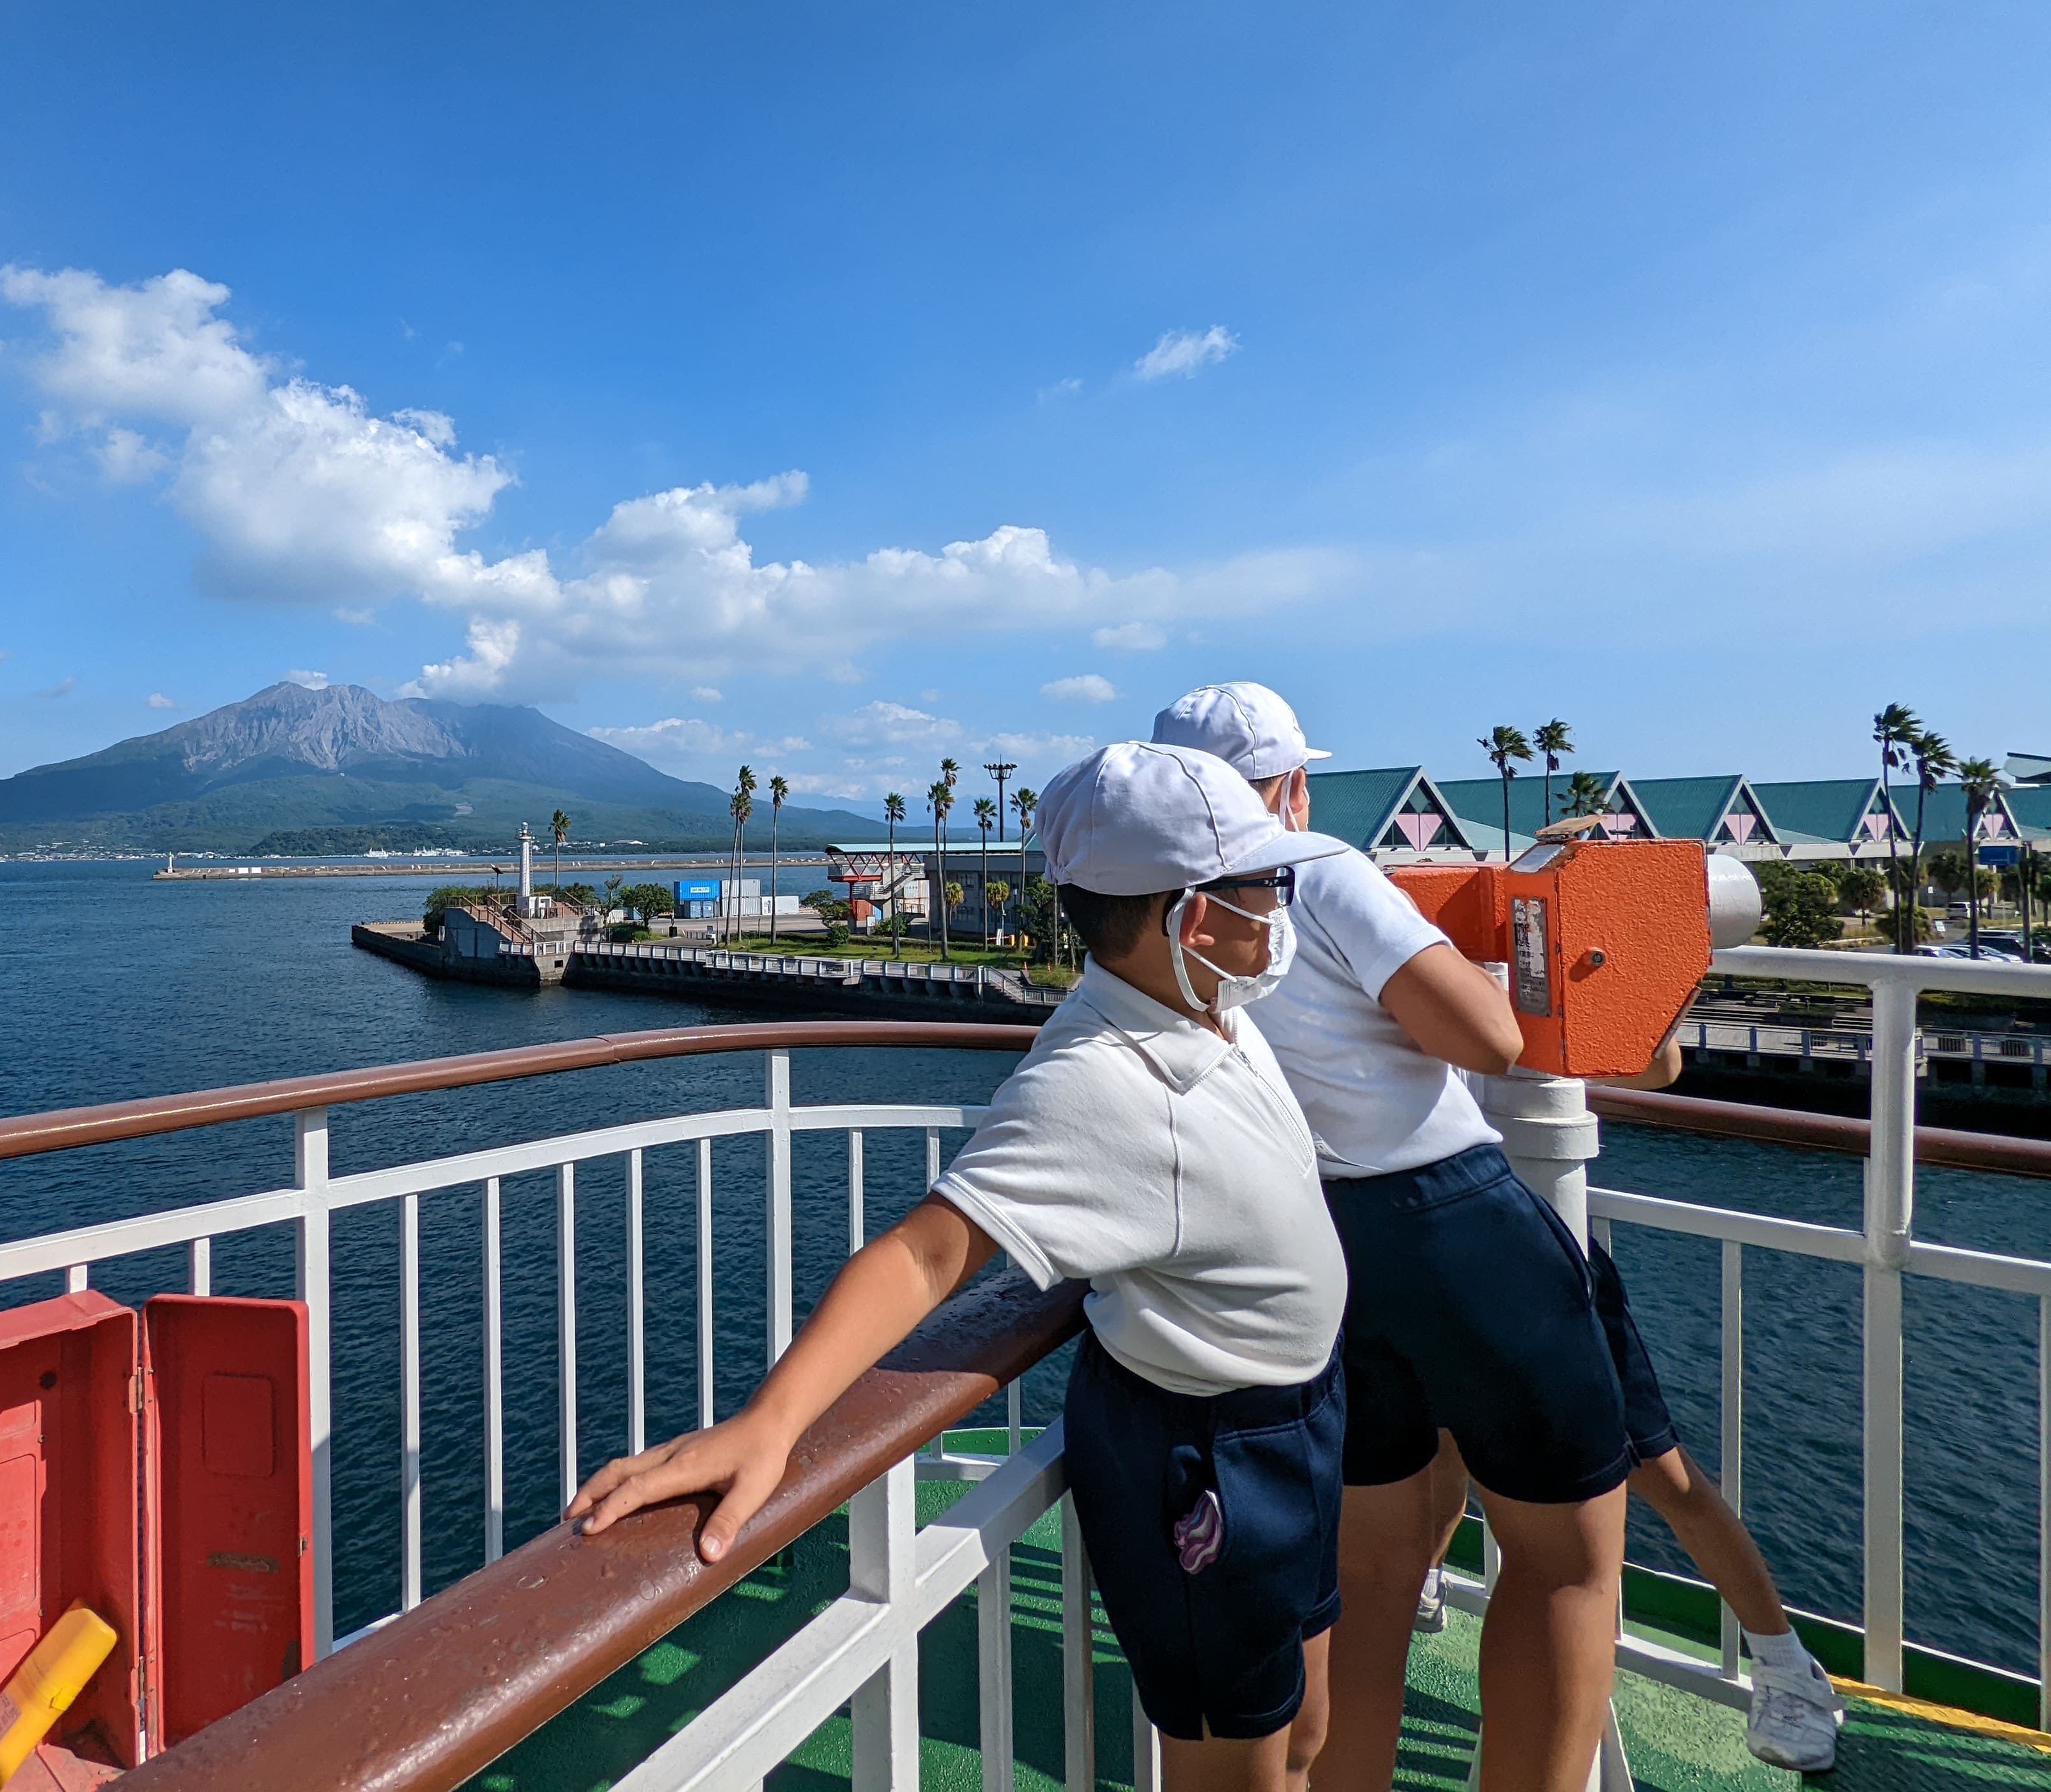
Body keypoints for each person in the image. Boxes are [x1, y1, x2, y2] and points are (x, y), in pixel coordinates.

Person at [570, 742, 1349, 1792]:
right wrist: (770, 1423)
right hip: (1216, 1453)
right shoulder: (1095, 1083)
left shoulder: (1206, 1006)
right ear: (1194, 919)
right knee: (1240, 1762)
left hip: (1299, 1418)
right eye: (1270, 886)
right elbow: (925, 1253)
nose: (1282, 913)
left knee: (1305, 1728)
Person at [1152, 682, 1628, 1792]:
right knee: (1566, 1559)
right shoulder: (1316, 867)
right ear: (1289, 784)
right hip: (1452, 1224)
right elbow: (1490, 1037)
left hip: (1313, 1245)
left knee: (1370, 1573)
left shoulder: (1165, 904)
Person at [1417, 1235, 1846, 1772]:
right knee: (1441, 1438)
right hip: (1427, 1253)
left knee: (1659, 1469)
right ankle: (1425, 1581)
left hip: (1544, 1256)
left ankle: (1787, 1668)